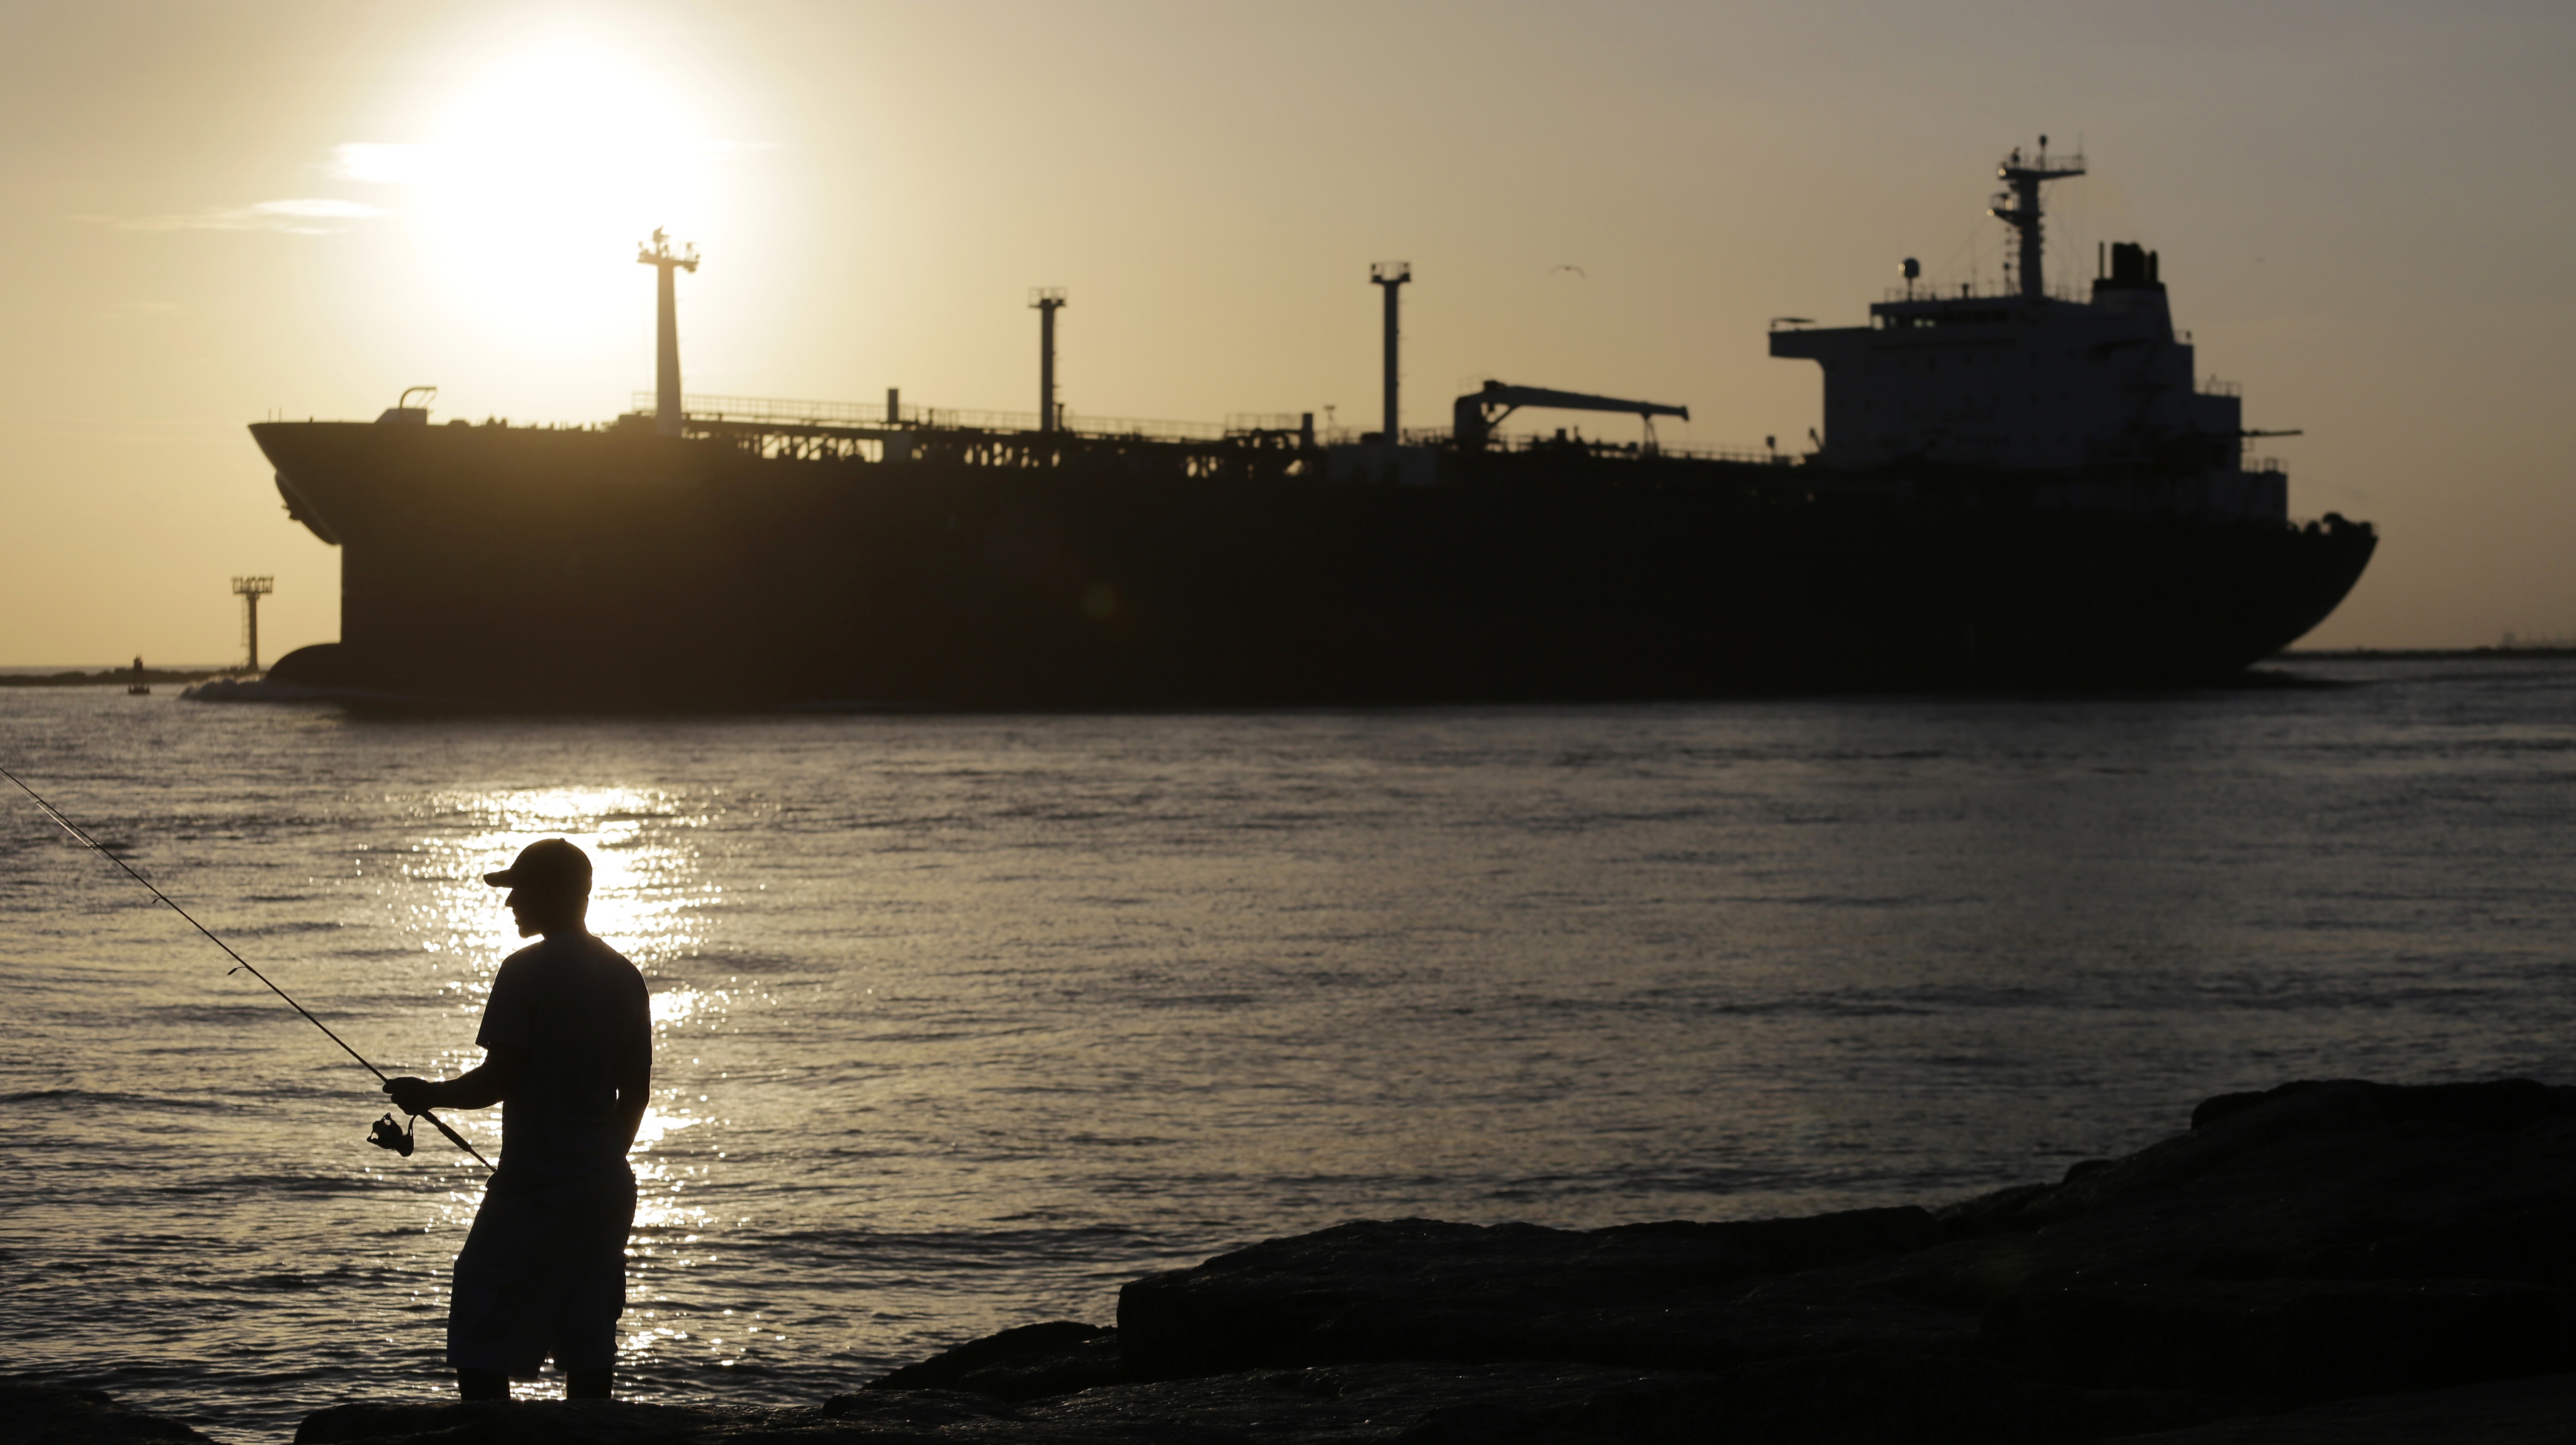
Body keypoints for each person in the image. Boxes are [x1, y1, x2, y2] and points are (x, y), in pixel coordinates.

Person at [384, 838, 652, 1402]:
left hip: (533, 1186)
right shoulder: (627, 975)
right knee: (588, 1328)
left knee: (480, 1309)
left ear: (558, 893)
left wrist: (425, 1094)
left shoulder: (524, 971)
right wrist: (602, 1158)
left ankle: (491, 1437)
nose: (510, 904)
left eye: (520, 890)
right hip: (605, 1184)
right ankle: (591, 1437)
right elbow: (637, 1092)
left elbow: (497, 1079)